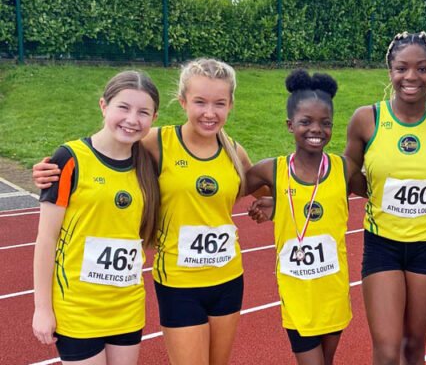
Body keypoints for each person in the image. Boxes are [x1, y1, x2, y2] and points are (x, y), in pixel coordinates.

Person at [33, 58, 257, 365]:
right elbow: (107, 150)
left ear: (230, 105)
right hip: (176, 283)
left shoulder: (233, 150)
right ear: (183, 102)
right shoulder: (155, 143)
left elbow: (262, 186)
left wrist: (270, 202)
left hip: (225, 278)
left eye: (219, 103)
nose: (209, 112)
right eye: (199, 102)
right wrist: (51, 169)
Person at [344, 32, 426, 365]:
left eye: (422, 68)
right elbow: (346, 171)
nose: (411, 77)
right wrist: (373, 191)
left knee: (413, 347)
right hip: (382, 245)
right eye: (402, 68)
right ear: (390, 71)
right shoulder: (366, 119)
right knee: (386, 349)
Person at [32, 70, 161, 364]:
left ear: (154, 118)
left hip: (127, 306)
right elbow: (46, 238)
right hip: (78, 307)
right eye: (123, 107)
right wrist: (42, 308)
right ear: (104, 105)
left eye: (143, 112)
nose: (132, 119)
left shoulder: (150, 164)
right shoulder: (69, 158)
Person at [245, 69, 357, 365]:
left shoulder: (344, 169)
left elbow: (378, 191)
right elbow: (227, 190)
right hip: (297, 294)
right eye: (306, 122)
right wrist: (275, 202)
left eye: (325, 123)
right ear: (289, 125)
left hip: (333, 291)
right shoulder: (272, 170)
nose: (316, 130)